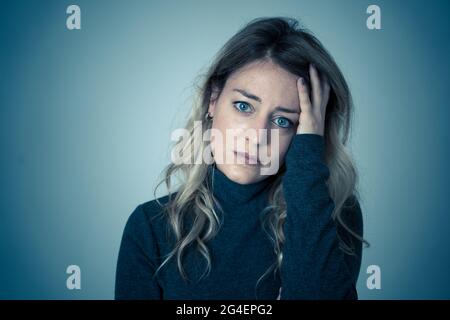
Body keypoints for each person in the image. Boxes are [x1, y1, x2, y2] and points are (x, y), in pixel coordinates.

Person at [115, 16, 367, 300]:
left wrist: (309, 152)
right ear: (213, 99)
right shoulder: (150, 228)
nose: (257, 136)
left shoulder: (331, 216)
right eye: (244, 106)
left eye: (283, 121)